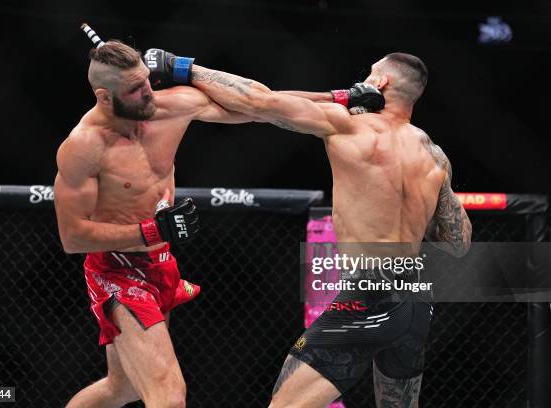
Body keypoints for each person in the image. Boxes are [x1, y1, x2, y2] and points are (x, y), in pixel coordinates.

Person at [55, 40, 384, 408]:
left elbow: (260, 104)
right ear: (104, 97)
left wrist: (337, 97)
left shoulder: (167, 108)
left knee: (122, 388)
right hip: (117, 271)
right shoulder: (84, 146)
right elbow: (72, 236)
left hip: (160, 263)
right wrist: (151, 231)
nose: (148, 92)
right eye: (135, 89)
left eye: (147, 81)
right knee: (168, 397)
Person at [145, 49, 472, 407]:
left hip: (369, 293)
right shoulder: (434, 155)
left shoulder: (346, 124)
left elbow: (258, 101)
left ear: (380, 83)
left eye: (369, 73)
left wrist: (183, 68)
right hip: (417, 299)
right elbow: (458, 242)